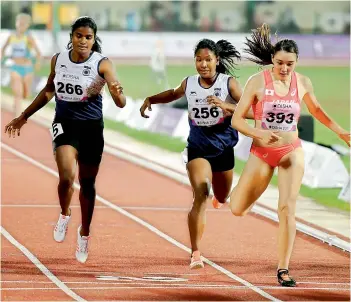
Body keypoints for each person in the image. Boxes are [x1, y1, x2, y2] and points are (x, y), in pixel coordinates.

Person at [229, 23, 350, 287]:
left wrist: (341, 132)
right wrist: (258, 134)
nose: (284, 69)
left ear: (296, 63)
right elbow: (237, 120)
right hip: (262, 152)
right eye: (280, 63)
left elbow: (317, 111)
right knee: (237, 208)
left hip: (291, 151)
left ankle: (283, 268)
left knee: (287, 208)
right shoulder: (257, 82)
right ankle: (242, 194)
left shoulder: (302, 82)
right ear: (272, 59)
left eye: (290, 64)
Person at [4, 16, 126, 263]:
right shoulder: (58, 60)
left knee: (88, 183)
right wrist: (24, 116)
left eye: (88, 37)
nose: (83, 41)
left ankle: (85, 233)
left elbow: (121, 102)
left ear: (93, 40)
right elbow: (49, 89)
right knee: (66, 178)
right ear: (71, 37)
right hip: (65, 124)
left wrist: (116, 93)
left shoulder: (102, 64)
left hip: (91, 129)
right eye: (78, 36)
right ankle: (64, 213)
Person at [140, 38, 253, 269]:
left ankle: (218, 198)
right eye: (199, 60)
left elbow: (250, 111)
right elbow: (172, 94)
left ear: (217, 60)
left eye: (208, 59)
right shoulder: (189, 83)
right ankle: (195, 253)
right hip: (198, 148)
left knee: (221, 197)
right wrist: (151, 99)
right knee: (200, 192)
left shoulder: (228, 84)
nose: (203, 64)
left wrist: (226, 106)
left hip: (223, 149)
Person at [1, 13, 41, 117]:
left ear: (27, 25)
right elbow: (3, 48)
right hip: (15, 68)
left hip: (27, 69)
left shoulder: (28, 37)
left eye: (23, 24)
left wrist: (37, 62)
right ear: (16, 23)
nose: (21, 25)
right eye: (19, 23)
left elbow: (38, 53)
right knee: (17, 95)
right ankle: (17, 118)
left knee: (26, 95)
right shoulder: (11, 36)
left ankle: (22, 100)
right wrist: (1, 57)